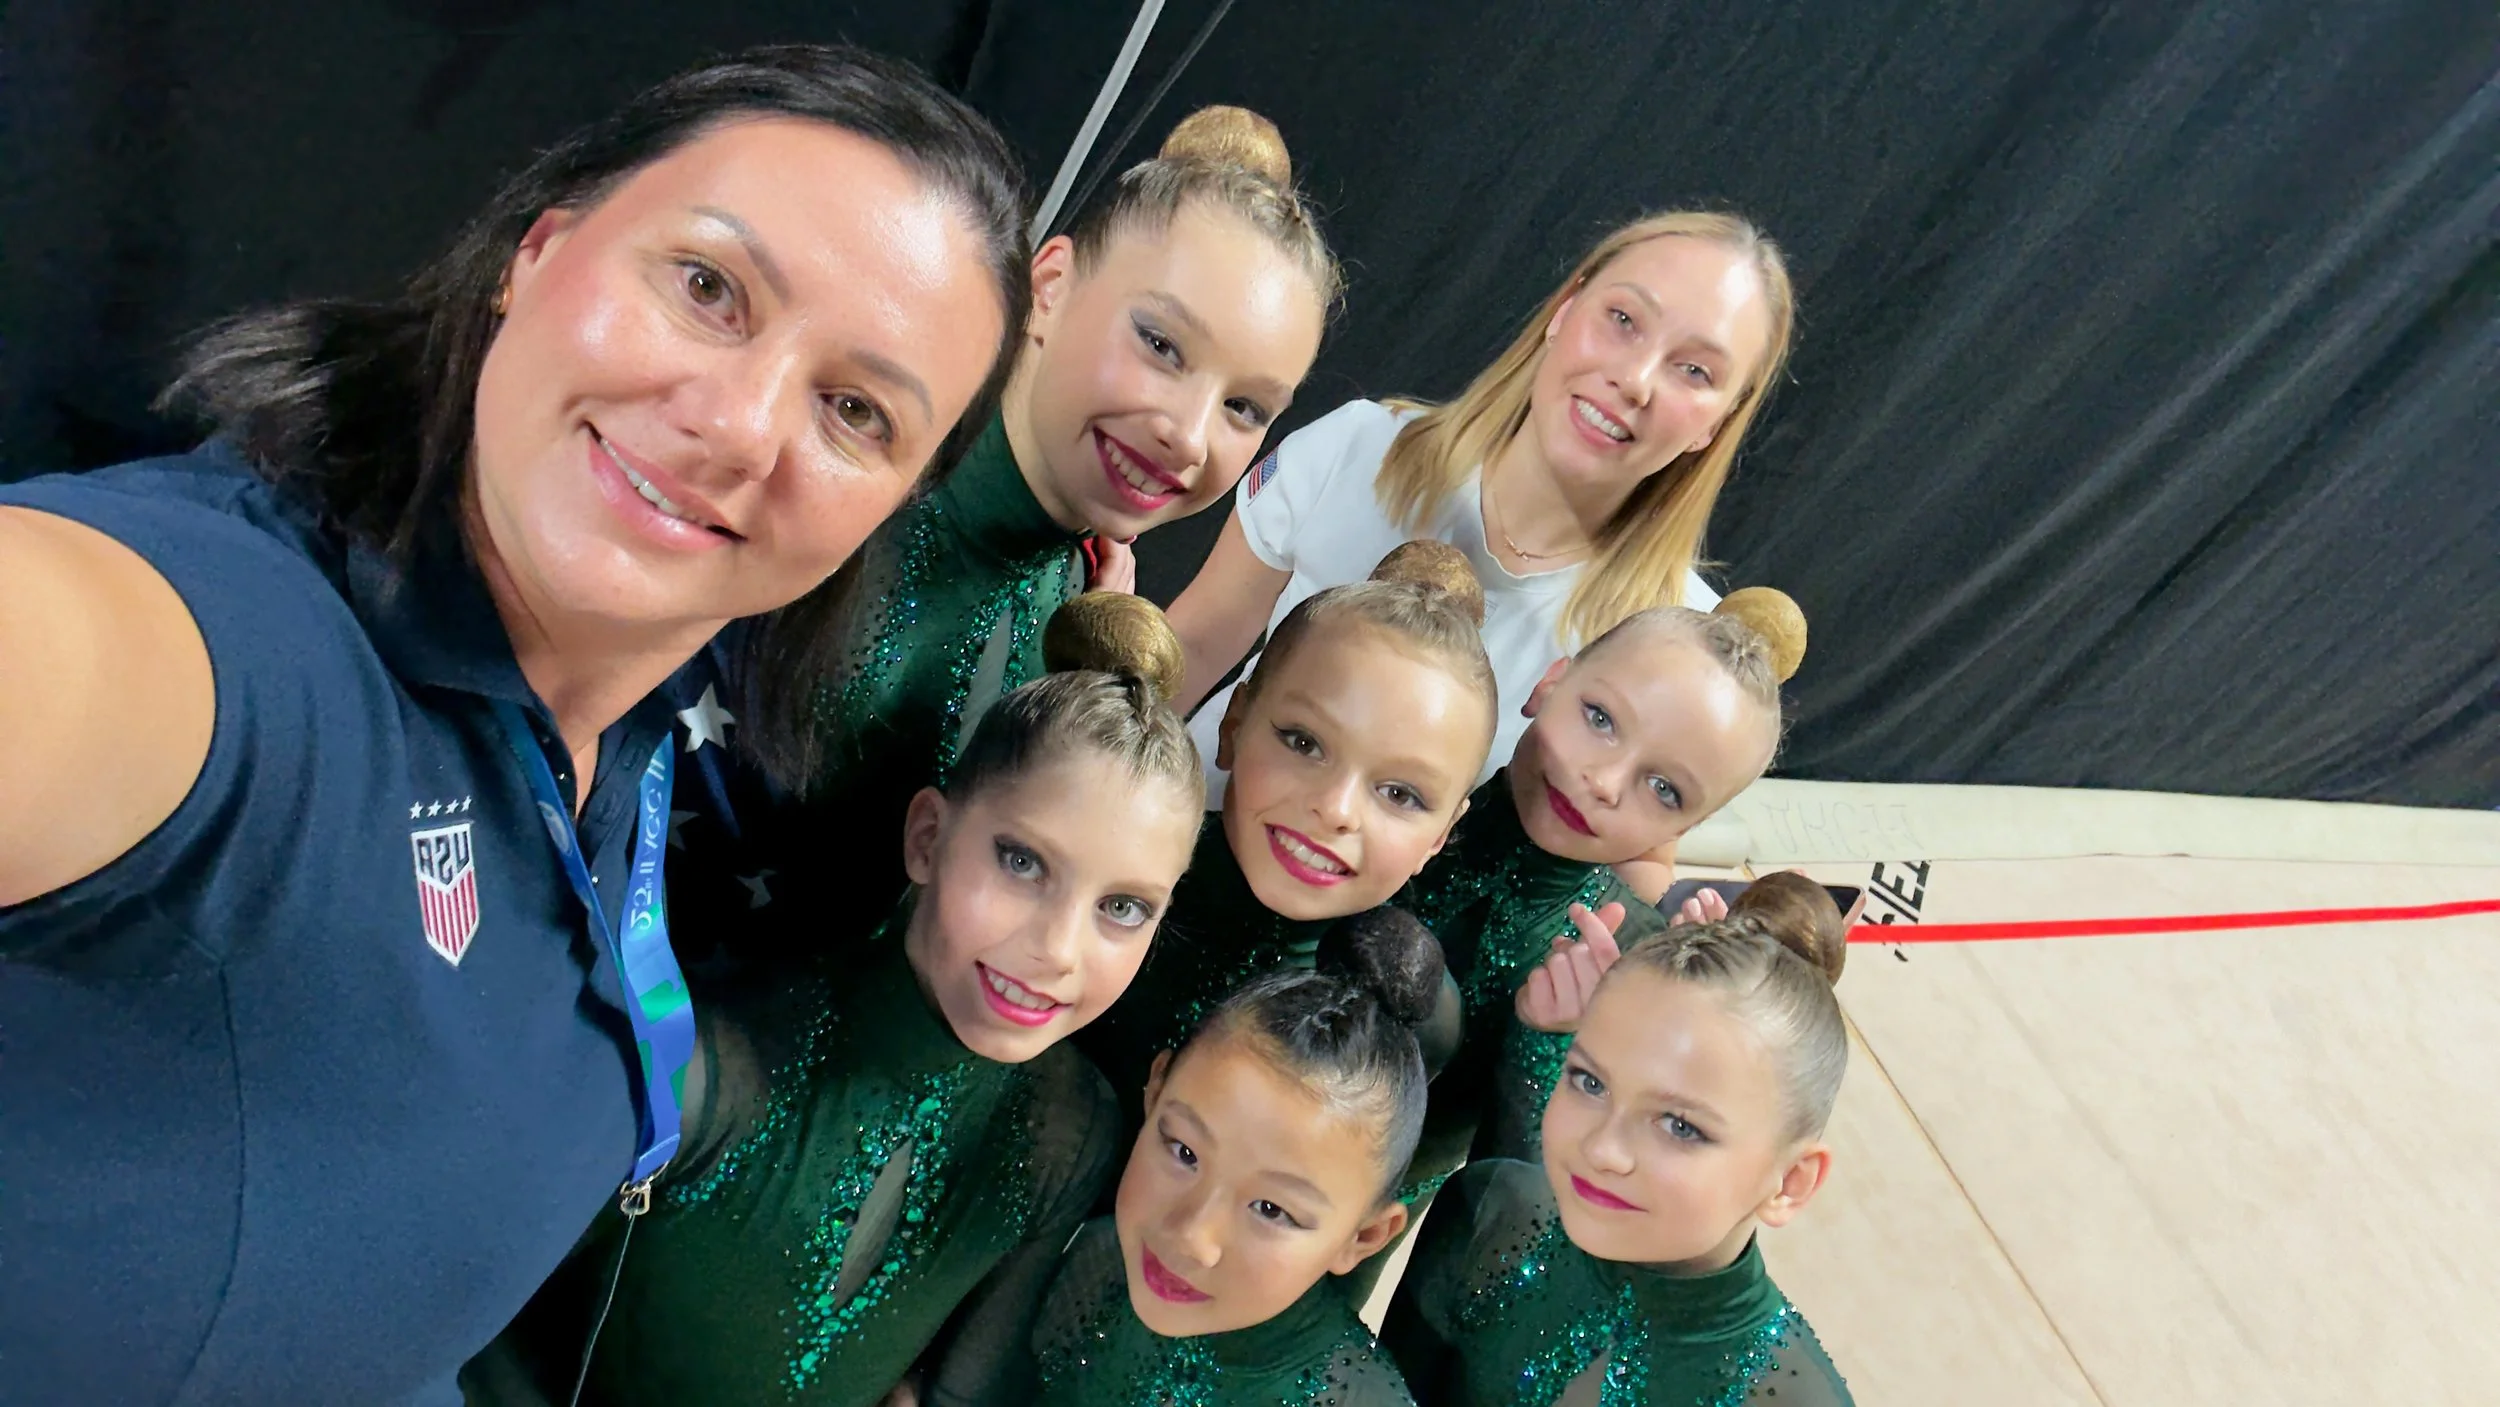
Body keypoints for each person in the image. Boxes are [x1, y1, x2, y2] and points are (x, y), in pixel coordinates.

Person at [0, 45, 1027, 1407]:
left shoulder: (650, 717)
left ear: (882, 516)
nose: (736, 422)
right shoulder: (215, 646)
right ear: (536, 252)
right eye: (709, 287)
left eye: (855, 410)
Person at [518, 595, 1207, 1407]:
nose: (1057, 950)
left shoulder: (1073, 1129)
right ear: (928, 837)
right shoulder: (702, 1063)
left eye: (1123, 908)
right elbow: (477, 1337)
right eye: (1021, 862)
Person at [683, 104, 1337, 945]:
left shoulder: (1074, 634)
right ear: (1050, 284)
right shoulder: (844, 448)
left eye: (1244, 406)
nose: (1190, 430)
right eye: (1162, 345)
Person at [1167, 211, 1796, 894]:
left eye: (1695, 369)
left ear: (1721, 420)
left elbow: (1635, 865)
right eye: (1624, 319)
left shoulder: (1682, 644)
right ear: (1566, 308)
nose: (1637, 378)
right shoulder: (1359, 448)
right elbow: (1193, 646)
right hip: (1174, 863)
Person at [927, 908, 1438, 1406]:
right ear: (1155, 1092)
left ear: (1364, 1236)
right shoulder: (1098, 1265)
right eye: (1185, 1152)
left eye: (1272, 1210)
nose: (1191, 1237)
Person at [1074, 541, 1495, 1130]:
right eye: (1304, 743)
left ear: (1440, 836)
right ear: (1234, 723)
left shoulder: (1416, 1016)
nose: (1336, 808)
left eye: (1400, 794)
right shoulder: (1105, 872)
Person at [1383, 914, 1855, 1405]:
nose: (1603, 1149)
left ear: (1790, 1183)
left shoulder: (1791, 1396)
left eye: (1681, 1126)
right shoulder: (1493, 1216)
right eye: (1590, 1082)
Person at [1409, 595, 1799, 1173]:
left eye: (1664, 788)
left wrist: (1546, 1044)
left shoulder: (1627, 970)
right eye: (1601, 719)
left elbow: (1521, 1199)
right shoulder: (1388, 793)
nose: (1605, 782)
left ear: (1683, 828)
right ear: (1551, 682)